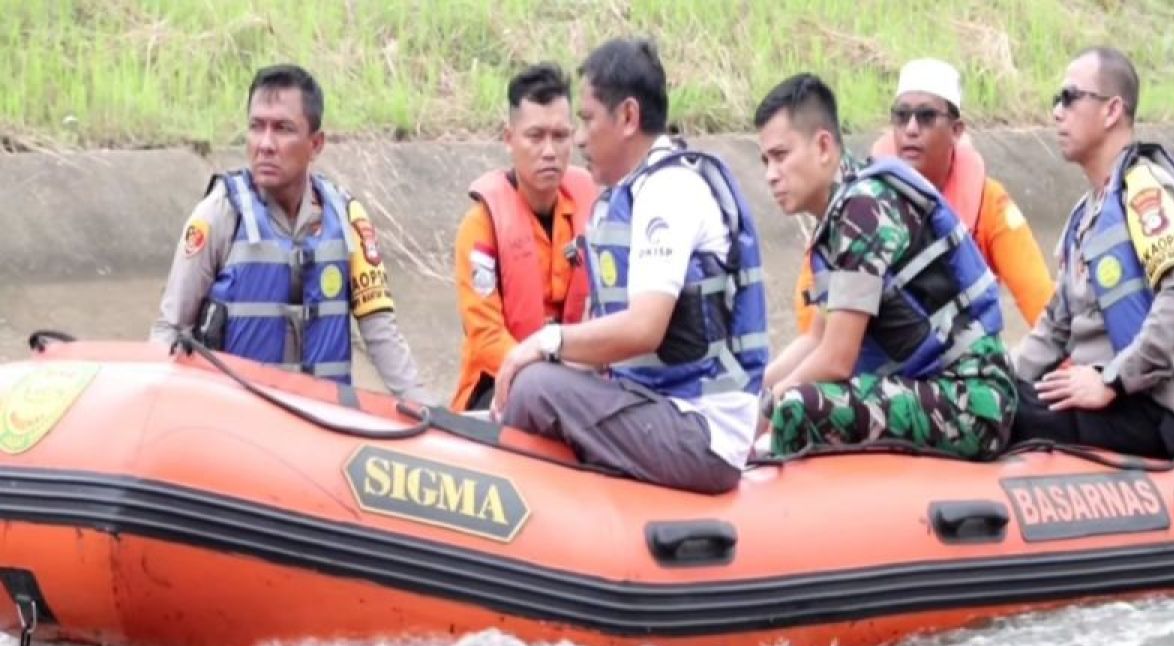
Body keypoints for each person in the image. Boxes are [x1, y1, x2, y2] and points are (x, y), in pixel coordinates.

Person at [491, 38, 769, 494]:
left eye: (585, 120)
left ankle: (518, 525)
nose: (578, 138)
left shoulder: (670, 191)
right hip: (657, 404)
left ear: (627, 118)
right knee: (532, 382)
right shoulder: (624, 196)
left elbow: (644, 329)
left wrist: (545, 342)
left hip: (701, 431)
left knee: (536, 388)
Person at [755, 73, 1016, 459]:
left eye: (780, 156)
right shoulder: (843, 212)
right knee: (783, 397)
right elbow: (816, 339)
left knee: (799, 405)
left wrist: (763, 412)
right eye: (764, 161)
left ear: (824, 146)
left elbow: (837, 360)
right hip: (931, 389)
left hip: (971, 404)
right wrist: (751, 392)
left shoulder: (864, 211)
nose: (770, 174)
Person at [150, 64, 431, 403]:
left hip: (321, 420)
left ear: (315, 144)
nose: (265, 144)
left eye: (283, 129)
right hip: (239, 422)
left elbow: (380, 329)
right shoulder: (219, 214)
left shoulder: (347, 218)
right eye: (256, 127)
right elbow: (169, 328)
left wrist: (430, 414)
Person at [1011, 47, 1174, 459]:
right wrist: (994, 381)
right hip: (1102, 397)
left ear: (1112, 110)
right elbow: (1053, 329)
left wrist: (1112, 381)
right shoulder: (1085, 217)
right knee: (990, 406)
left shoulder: (1146, 193)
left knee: (1007, 420)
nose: (1057, 113)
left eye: (1069, 97)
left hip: (1153, 404)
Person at [793, 58, 1052, 334]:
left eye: (926, 116)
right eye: (902, 117)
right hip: (877, 367)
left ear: (956, 131)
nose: (911, 129)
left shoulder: (989, 203)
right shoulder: (854, 204)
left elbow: (1042, 303)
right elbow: (811, 313)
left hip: (965, 365)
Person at [451, 63, 598, 412]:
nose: (549, 151)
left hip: (580, 377)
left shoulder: (596, 212)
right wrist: (548, 374)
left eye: (560, 136)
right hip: (499, 385)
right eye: (535, 136)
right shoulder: (480, 228)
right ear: (509, 138)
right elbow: (486, 337)